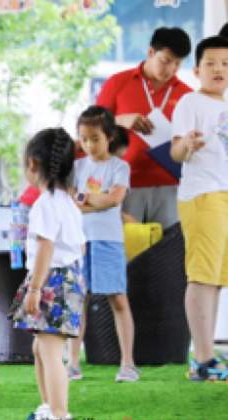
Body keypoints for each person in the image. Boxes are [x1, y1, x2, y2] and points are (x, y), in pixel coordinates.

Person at [8, 128, 86, 420]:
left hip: (52, 279)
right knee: (42, 348)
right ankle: (49, 407)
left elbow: (45, 246)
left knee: (51, 352)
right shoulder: (67, 202)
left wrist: (36, 286)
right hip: (69, 277)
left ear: (32, 164)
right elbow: (79, 246)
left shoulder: (45, 204)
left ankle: (59, 415)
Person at [171, 36, 228, 382]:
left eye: (226, 63)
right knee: (202, 276)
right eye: (212, 63)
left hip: (223, 195)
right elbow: (177, 150)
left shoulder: (224, 105)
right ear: (197, 69)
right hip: (202, 195)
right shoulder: (190, 102)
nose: (219, 69)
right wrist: (188, 144)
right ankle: (202, 359)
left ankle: (206, 355)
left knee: (217, 278)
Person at [69, 106, 138, 383]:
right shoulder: (76, 167)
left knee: (118, 299)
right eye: (83, 139)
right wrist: (98, 201)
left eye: (94, 138)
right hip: (80, 241)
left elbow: (114, 200)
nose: (88, 145)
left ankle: (128, 364)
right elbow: (73, 204)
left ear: (108, 136)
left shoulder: (120, 167)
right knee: (78, 300)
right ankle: (72, 363)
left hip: (109, 241)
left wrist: (87, 200)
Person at [96, 27, 192, 228]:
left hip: (171, 186)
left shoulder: (187, 95)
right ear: (150, 52)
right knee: (129, 251)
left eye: (177, 63)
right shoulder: (118, 83)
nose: (171, 69)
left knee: (168, 253)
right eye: (166, 61)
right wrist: (121, 120)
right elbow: (90, 127)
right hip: (124, 184)